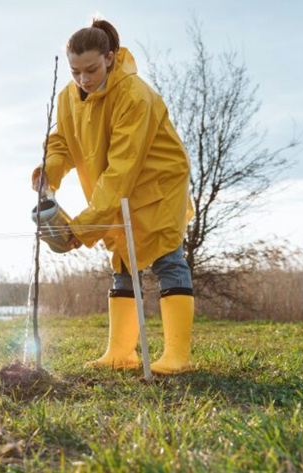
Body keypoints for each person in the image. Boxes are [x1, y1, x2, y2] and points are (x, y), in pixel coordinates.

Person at [31, 19, 196, 374]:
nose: (83, 79)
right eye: (75, 72)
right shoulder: (68, 98)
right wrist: (50, 170)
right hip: (116, 188)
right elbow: (62, 143)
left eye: (91, 69)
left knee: (168, 258)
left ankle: (177, 356)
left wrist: (83, 227)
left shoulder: (135, 95)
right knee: (122, 262)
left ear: (110, 57)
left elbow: (122, 169)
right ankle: (121, 352)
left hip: (157, 184)